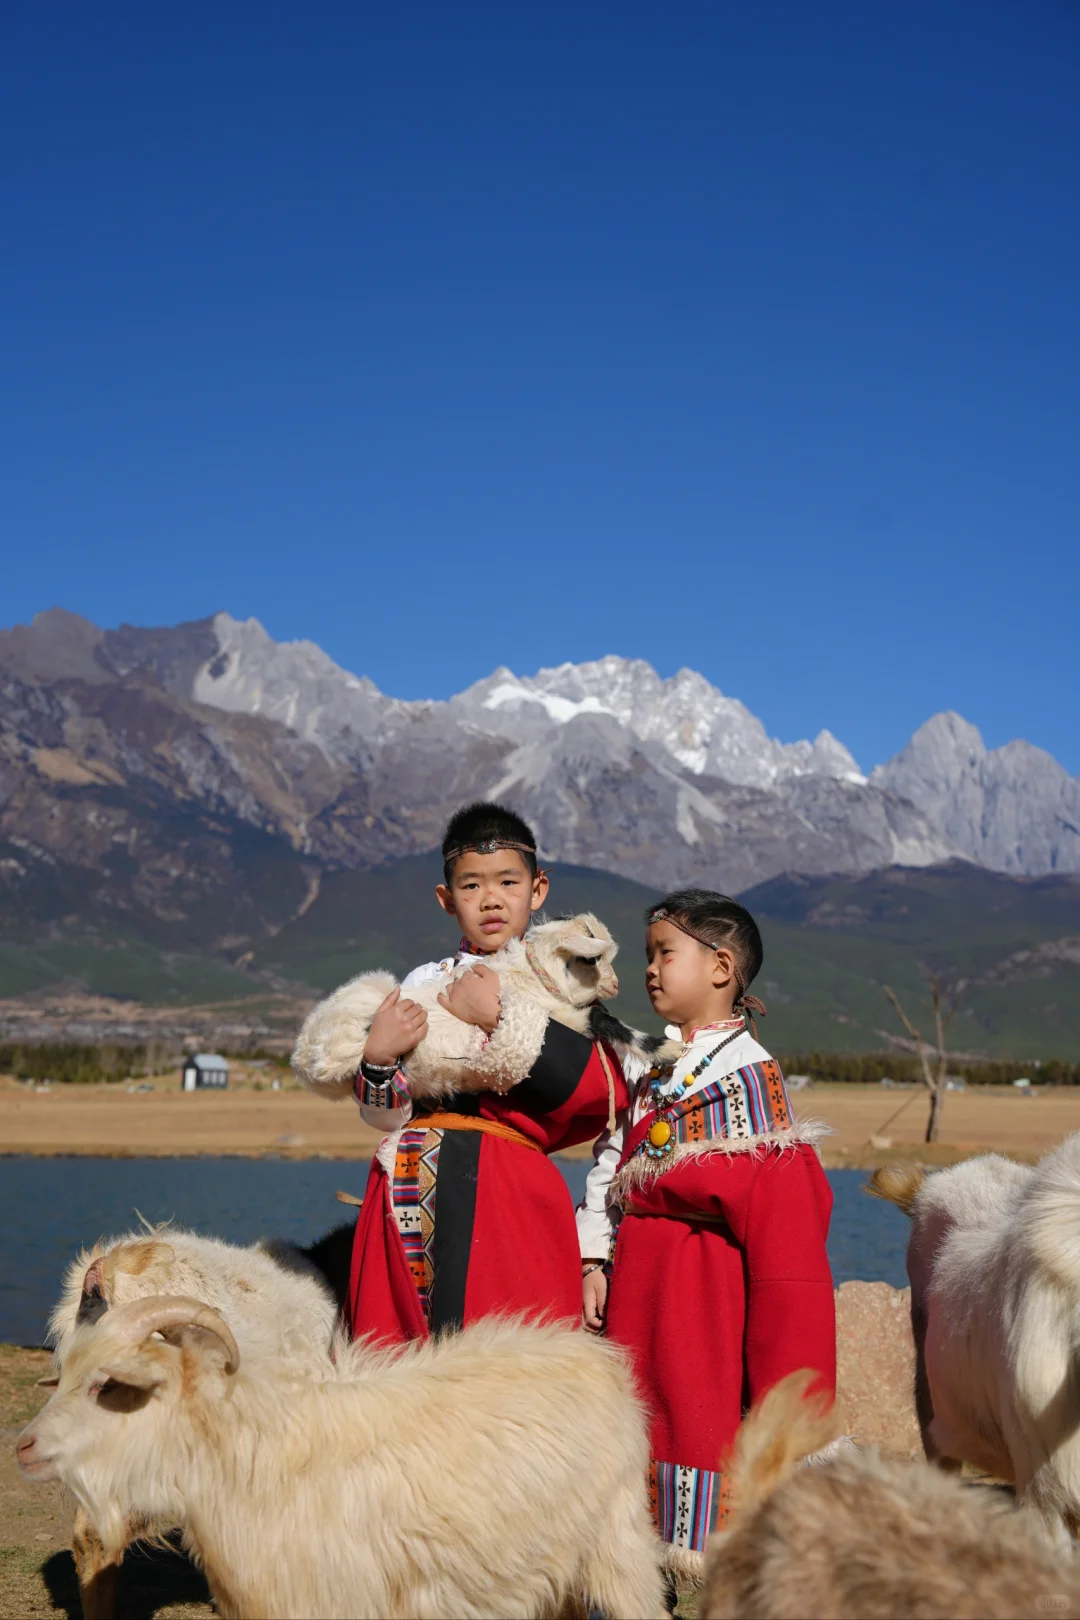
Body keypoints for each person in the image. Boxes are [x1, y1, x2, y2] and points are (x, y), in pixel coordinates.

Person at [577, 889, 835, 1576]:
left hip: (703, 1294)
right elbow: (616, 1163)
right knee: (635, 1424)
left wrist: (787, 1383)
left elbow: (785, 1247)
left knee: (695, 1416)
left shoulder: (751, 1078)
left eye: (665, 952)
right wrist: (595, 1256)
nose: (650, 970)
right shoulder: (656, 1068)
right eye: (648, 956)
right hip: (640, 1290)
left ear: (722, 967)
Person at [330, 801, 628, 1344]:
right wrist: (378, 1056)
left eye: (508, 881)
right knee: (394, 1373)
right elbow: (385, 1116)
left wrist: (498, 1015)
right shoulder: (422, 984)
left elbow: (601, 1093)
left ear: (538, 890)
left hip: (508, 1190)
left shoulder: (566, 981)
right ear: (447, 900)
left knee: (508, 1372)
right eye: (470, 886)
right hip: (403, 1184)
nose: (490, 899)